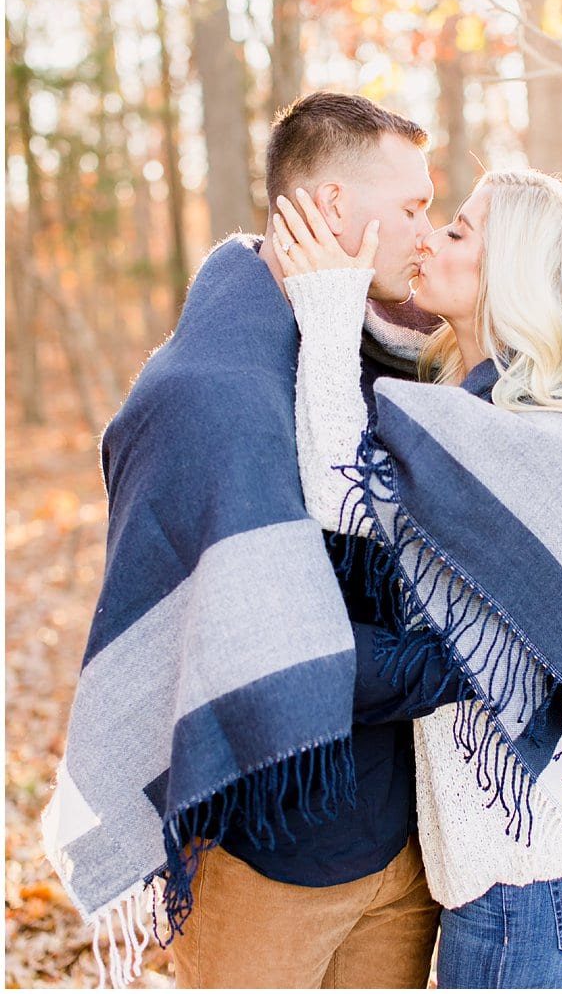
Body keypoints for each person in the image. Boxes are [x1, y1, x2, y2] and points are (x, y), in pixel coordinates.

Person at [43, 91, 471, 989]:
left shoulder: (382, 354)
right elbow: (269, 641)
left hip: (404, 846)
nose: (427, 230)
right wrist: (469, 654)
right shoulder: (210, 393)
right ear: (327, 210)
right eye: (411, 208)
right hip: (264, 854)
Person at [269, 166, 562, 989]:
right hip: (507, 864)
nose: (434, 236)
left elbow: (347, 489)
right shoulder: (479, 407)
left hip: (526, 872)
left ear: (508, 272)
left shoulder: (535, 436)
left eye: (460, 231)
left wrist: (331, 302)